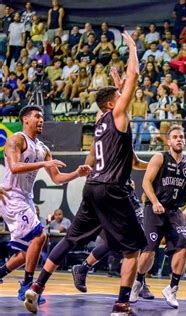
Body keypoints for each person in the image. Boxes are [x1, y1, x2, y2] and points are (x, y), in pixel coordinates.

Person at [23, 32, 146, 315]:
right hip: (113, 188)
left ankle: (36, 287)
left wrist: (117, 85)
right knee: (132, 249)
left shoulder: (101, 120)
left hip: (92, 185)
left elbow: (103, 155)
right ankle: (122, 304)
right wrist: (131, 48)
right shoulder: (116, 115)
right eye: (121, 96)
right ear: (114, 104)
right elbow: (135, 76)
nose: (125, 95)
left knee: (70, 239)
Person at [0, 105, 90, 304]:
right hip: (11, 196)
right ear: (25, 119)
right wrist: (43, 164)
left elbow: (57, 179)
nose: (41, 120)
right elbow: (14, 167)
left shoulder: (43, 148)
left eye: (42, 117)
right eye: (37, 117)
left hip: (26, 198)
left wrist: (77, 174)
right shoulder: (17, 139)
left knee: (27, 252)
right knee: (40, 235)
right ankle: (27, 287)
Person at [130, 125, 186, 308]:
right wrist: (155, 201)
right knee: (149, 250)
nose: (179, 139)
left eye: (181, 137)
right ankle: (137, 283)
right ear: (169, 141)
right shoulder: (160, 157)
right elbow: (146, 181)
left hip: (174, 211)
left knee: (183, 246)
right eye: (175, 137)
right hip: (154, 209)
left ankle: (172, 288)